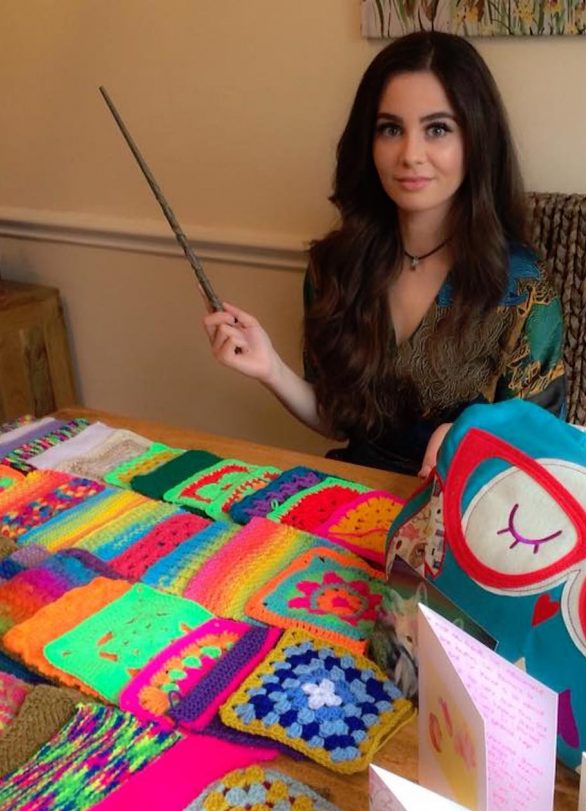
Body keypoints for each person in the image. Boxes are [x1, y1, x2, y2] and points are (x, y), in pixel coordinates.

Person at [203, 31, 566, 478]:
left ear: (476, 141)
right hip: (350, 500)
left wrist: (468, 437)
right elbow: (339, 421)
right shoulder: (336, 267)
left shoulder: (523, 292)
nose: (410, 155)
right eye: (391, 129)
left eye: (438, 129)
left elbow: (545, 452)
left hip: (461, 519)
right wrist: (270, 368)